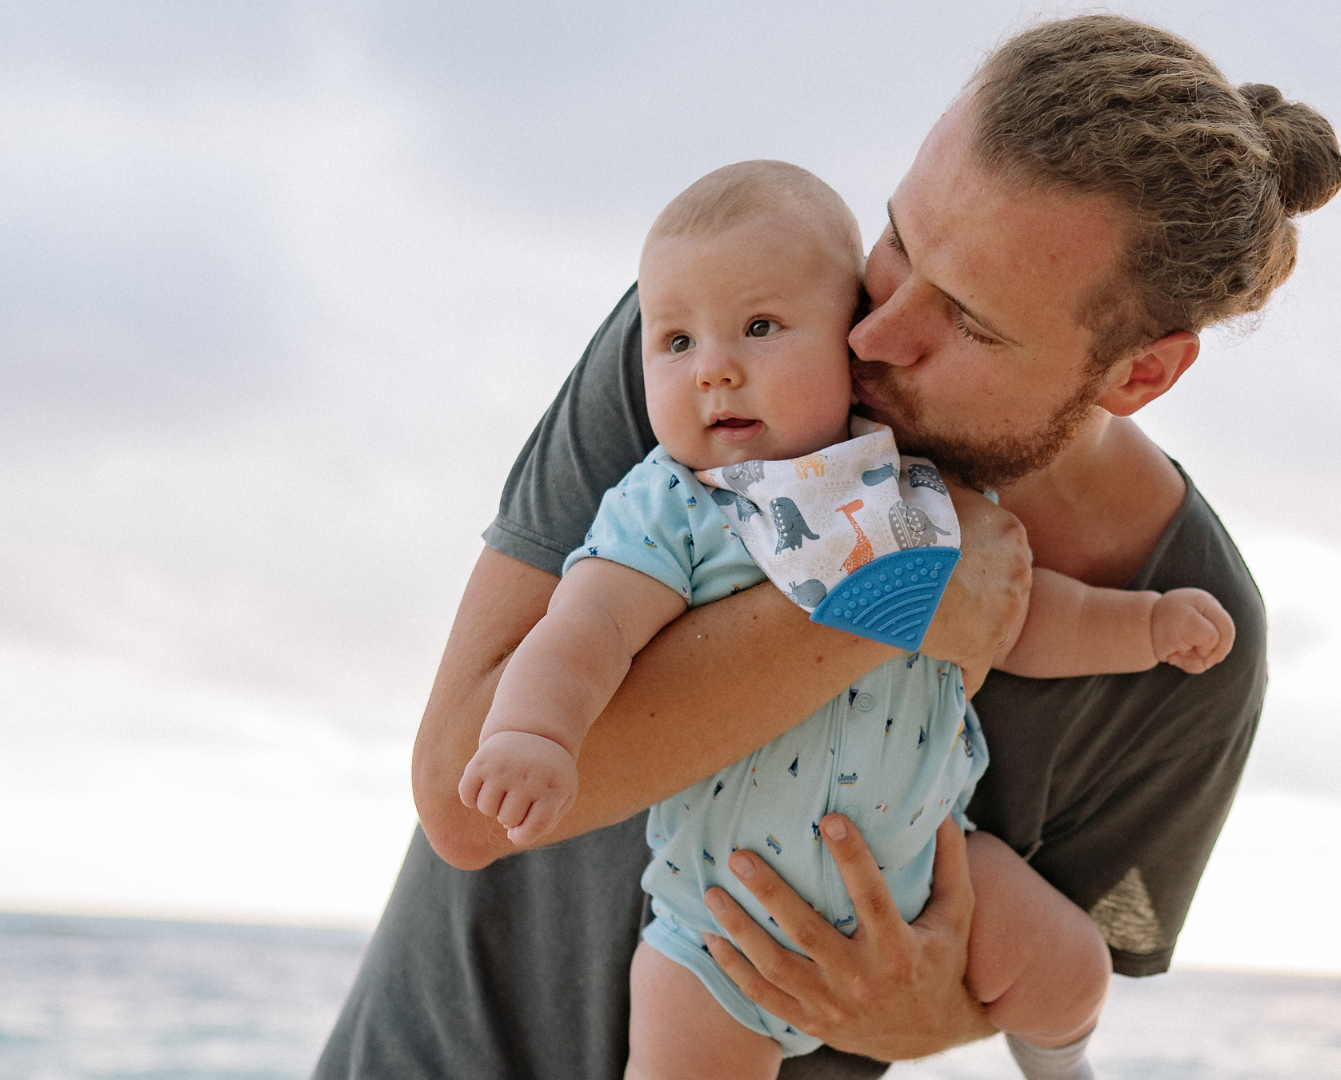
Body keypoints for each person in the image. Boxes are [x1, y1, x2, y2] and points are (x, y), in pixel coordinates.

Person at [315, 14, 1341, 1079]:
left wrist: (929, 1020)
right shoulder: (717, 350)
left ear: (1141, 376)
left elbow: (1031, 979)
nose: (873, 330)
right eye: (898, 240)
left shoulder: (1190, 626)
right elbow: (462, 803)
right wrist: (899, 595)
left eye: (971, 321)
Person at [457, 159, 1234, 1079]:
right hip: (719, 927)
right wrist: (534, 733)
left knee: (1073, 969)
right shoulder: (670, 505)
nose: (714, 368)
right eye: (673, 344)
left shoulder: (911, 481)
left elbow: (1013, 615)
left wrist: (1140, 627)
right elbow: (583, 631)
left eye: (759, 329)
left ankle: (1060, 1067)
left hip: (927, 863)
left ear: (849, 344)